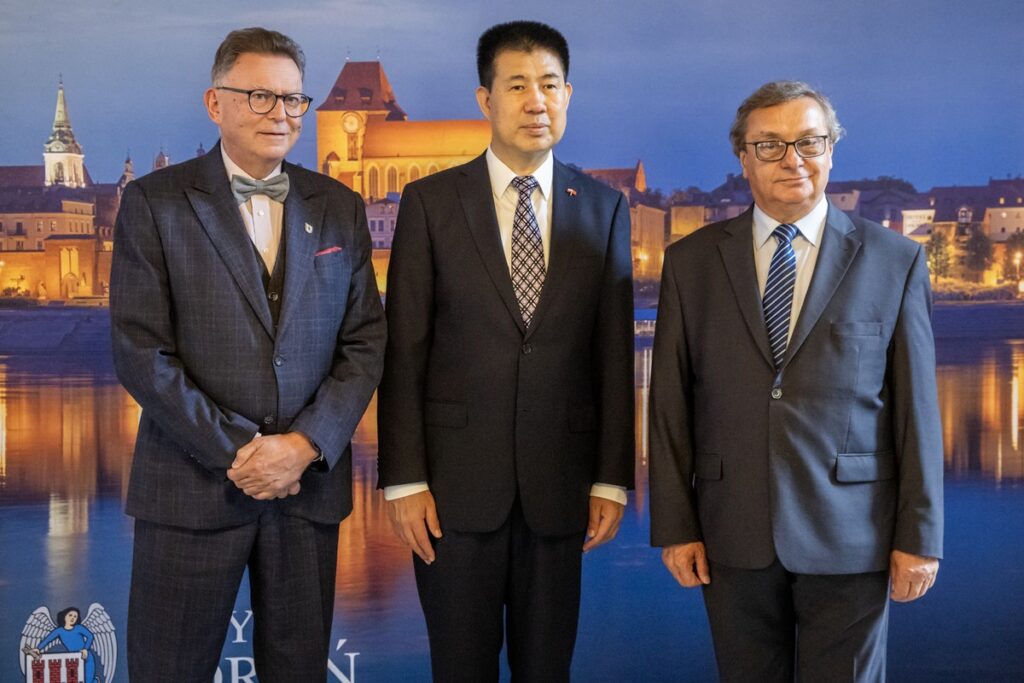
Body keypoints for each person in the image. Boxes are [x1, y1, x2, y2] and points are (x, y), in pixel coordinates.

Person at [110, 27, 385, 682]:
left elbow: (365, 339)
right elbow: (140, 349)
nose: (281, 114)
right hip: (189, 493)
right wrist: (243, 451)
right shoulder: (155, 202)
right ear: (215, 103)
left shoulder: (340, 207)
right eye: (260, 95)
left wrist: (304, 445)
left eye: (293, 100)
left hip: (306, 493)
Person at [649, 80, 943, 682]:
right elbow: (671, 406)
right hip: (732, 533)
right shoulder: (692, 263)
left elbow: (918, 411)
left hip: (854, 534)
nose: (793, 159)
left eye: (809, 142)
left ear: (832, 150)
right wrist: (675, 525)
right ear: (743, 158)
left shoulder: (895, 260)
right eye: (771, 145)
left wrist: (921, 535)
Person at [377, 20, 635, 682]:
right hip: (452, 495)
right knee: (459, 668)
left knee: (547, 669)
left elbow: (611, 356)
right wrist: (404, 479)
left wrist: (610, 476)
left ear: (569, 95)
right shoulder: (431, 203)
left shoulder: (603, 208)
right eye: (516, 85)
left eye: (549, 84)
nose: (536, 100)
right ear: (484, 99)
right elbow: (404, 348)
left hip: (561, 489)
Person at [24, 608, 98, 683]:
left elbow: (90, 636)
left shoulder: (79, 628)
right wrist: (38, 649)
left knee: (88, 680)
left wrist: (85, 649)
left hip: (86, 657)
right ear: (64, 616)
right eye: (70, 615)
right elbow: (47, 640)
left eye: (75, 616)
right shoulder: (59, 631)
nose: (73, 618)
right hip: (75, 660)